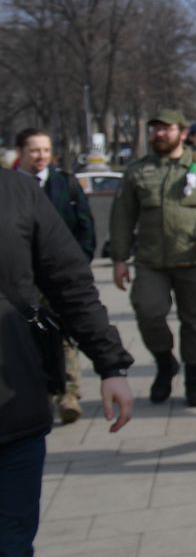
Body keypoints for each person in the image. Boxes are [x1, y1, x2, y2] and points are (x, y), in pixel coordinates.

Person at [1, 167, 134, 557]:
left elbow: (69, 280)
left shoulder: (17, 193)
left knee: (8, 556)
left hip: (11, 406)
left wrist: (109, 361)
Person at [108, 109, 196, 407]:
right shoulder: (138, 171)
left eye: (166, 129)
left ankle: (194, 381)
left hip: (194, 259)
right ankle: (165, 363)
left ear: (182, 132)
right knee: (148, 313)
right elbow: (122, 217)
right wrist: (118, 259)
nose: (159, 134)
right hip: (151, 261)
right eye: (155, 129)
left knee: (195, 322)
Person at [14, 129, 96, 425]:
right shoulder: (10, 187)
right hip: (23, 279)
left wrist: (79, 263)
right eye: (34, 150)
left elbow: (86, 226)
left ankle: (69, 393)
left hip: (61, 274)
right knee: (30, 334)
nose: (40, 156)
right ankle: (42, 393)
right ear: (20, 153)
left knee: (65, 333)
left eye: (45, 150)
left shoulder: (65, 184)